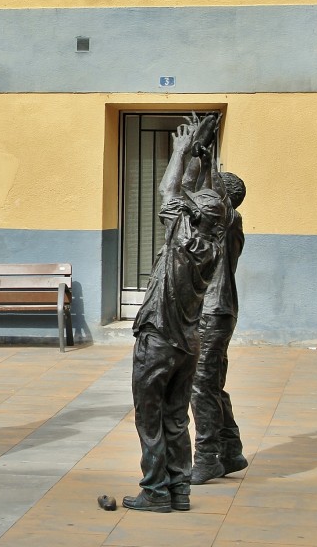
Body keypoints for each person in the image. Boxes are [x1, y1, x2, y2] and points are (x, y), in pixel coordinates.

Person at [124, 116, 228, 514]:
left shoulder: (183, 238)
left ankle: (154, 490)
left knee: (150, 420)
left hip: (159, 340)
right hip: (189, 344)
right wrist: (205, 155)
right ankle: (179, 490)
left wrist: (182, 150)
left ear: (191, 216)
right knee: (176, 417)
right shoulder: (213, 243)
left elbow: (170, 190)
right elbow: (201, 196)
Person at [189, 172, 248, 485]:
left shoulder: (226, 222)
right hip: (214, 310)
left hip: (213, 311)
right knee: (210, 383)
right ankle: (231, 449)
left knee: (200, 385)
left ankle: (208, 456)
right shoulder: (224, 224)